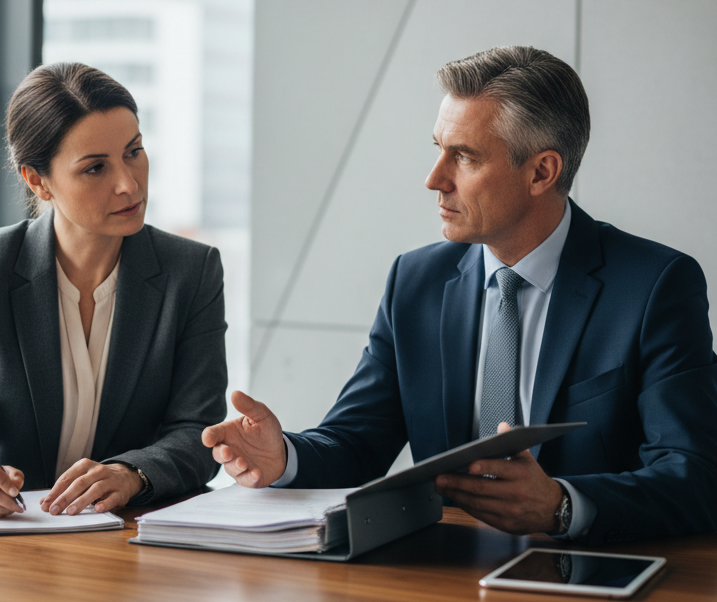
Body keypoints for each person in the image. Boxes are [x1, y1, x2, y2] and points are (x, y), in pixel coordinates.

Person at [204, 46, 717, 543]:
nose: (434, 179)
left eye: (465, 157)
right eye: (438, 150)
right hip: (446, 577)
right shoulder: (416, 280)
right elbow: (357, 442)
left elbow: (694, 474)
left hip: (594, 579)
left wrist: (561, 505)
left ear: (542, 171)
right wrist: (284, 457)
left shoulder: (655, 286)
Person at [0, 62, 225, 519]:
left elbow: (197, 430)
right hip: (5, 539)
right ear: (37, 181)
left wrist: (132, 473)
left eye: (133, 151)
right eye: (95, 168)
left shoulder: (191, 272)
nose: (128, 183)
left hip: (125, 539)